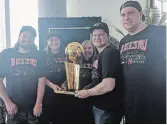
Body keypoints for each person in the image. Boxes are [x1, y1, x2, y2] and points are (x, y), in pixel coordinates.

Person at [119, 1, 166, 124]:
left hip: (157, 102)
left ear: (141, 14)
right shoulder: (123, 41)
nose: (126, 17)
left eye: (130, 13)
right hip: (131, 104)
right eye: (123, 15)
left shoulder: (160, 32)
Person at [75, 22, 124, 124]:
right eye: (94, 35)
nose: (97, 37)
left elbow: (108, 85)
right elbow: (97, 80)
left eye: (100, 34)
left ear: (108, 36)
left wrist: (87, 93)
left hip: (108, 109)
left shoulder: (109, 53)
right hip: (100, 107)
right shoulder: (99, 54)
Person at [0, 26, 45, 124]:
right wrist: (8, 102)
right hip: (13, 106)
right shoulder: (6, 54)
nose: (27, 39)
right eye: (25, 36)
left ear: (33, 40)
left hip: (33, 106)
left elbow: (41, 80)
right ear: (19, 36)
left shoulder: (39, 55)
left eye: (31, 37)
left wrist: (38, 103)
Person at [41, 33, 67, 124]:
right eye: (51, 40)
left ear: (60, 41)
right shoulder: (42, 55)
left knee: (61, 119)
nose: (54, 42)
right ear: (47, 42)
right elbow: (39, 75)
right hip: (47, 93)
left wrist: (65, 84)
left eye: (56, 40)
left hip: (64, 92)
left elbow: (71, 71)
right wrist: (52, 85)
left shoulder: (67, 54)